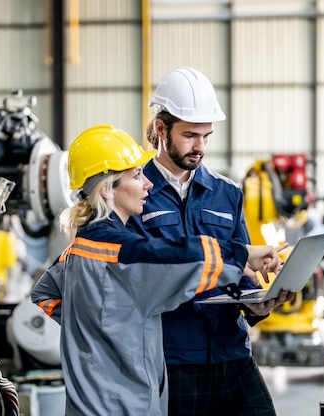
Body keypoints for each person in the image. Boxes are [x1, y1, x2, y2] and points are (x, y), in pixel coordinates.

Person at [30, 124, 286, 416]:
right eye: (137, 176)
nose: (147, 184)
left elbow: (45, 293)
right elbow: (169, 257)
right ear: (106, 189)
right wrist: (241, 254)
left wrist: (103, 330)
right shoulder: (118, 250)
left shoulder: (81, 247)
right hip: (123, 403)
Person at [126, 67, 295, 416]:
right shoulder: (136, 194)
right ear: (161, 129)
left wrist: (257, 306)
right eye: (190, 135)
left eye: (206, 135)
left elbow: (243, 270)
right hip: (175, 362)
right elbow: (141, 279)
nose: (200, 147)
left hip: (233, 354)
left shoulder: (227, 193)